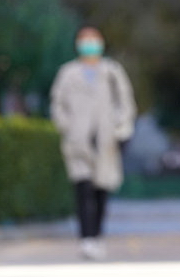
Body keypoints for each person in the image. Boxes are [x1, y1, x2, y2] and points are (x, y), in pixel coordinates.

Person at [50, 26, 137, 261]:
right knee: (83, 188)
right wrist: (67, 127)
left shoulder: (111, 71)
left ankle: (97, 236)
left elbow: (126, 102)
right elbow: (58, 105)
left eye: (93, 40)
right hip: (78, 142)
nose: (89, 45)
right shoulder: (67, 73)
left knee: (100, 192)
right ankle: (86, 238)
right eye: (84, 40)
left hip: (106, 141)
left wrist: (120, 126)